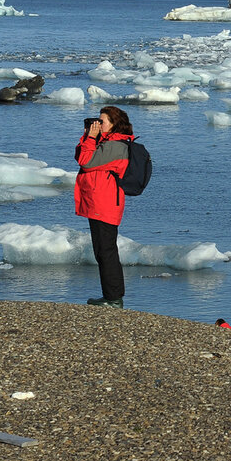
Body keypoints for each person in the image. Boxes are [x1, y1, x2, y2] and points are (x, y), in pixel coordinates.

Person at [75, 105, 135, 308]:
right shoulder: (107, 142)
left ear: (114, 124)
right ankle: (110, 296)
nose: (98, 125)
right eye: (97, 121)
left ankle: (114, 298)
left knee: (106, 251)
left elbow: (86, 162)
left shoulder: (116, 146)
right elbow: (80, 156)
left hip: (106, 204)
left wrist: (91, 139)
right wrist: (87, 137)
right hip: (99, 203)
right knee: (102, 250)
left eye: (102, 121)